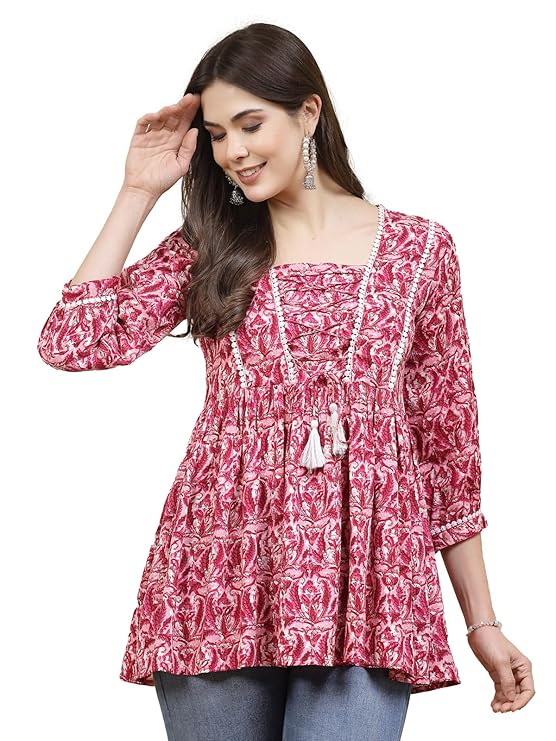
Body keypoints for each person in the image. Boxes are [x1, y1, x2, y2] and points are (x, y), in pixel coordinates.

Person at [37, 21, 535, 741]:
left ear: (308, 112)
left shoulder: (420, 251)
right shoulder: (210, 245)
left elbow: (448, 451)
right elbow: (71, 341)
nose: (233, 152)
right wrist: (138, 190)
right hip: (220, 570)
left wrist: (482, 622)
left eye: (250, 125)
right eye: (217, 135)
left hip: (370, 580)